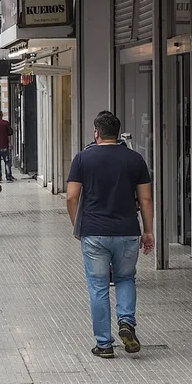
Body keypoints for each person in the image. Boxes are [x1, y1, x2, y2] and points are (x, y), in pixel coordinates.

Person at [65, 111, 154, 359]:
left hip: (94, 232)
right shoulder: (135, 159)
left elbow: (71, 197)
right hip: (127, 231)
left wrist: (77, 226)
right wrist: (148, 231)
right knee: (125, 279)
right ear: (118, 133)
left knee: (98, 286)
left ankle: (104, 344)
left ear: (96, 133)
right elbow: (146, 199)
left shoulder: (83, 158)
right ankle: (126, 322)